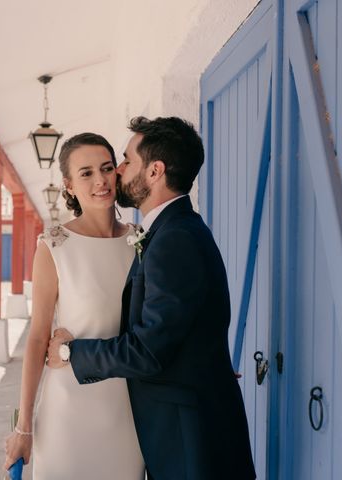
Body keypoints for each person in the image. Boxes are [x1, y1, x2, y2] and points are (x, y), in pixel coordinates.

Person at [47, 117, 256, 479]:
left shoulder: (174, 239)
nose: (119, 171)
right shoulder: (172, 230)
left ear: (155, 171)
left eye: (126, 161)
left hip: (189, 438)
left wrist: (71, 352)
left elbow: (148, 350)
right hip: (184, 423)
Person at [3, 133, 145, 479]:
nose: (100, 180)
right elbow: (38, 338)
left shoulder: (140, 241)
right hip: (67, 410)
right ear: (68, 185)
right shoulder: (54, 246)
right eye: (86, 173)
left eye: (107, 168)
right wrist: (24, 427)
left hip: (129, 413)